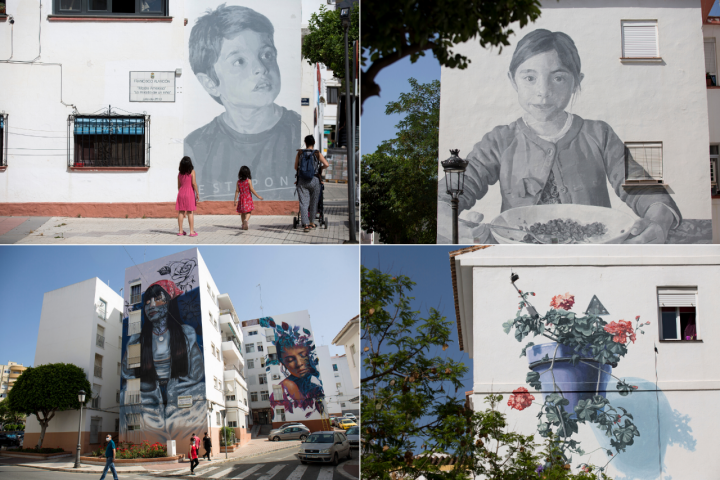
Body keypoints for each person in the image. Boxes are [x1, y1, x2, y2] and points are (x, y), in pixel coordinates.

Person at [453, 29, 681, 244]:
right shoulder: (499, 140)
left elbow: (640, 186)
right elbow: (452, 191)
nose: (543, 91)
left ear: (576, 82)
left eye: (558, 78)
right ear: (513, 80)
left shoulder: (599, 134)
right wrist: (452, 225)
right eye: (529, 78)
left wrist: (658, 219)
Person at [186, 4, 301, 201]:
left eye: (267, 54)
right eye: (239, 61)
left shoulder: (297, 131)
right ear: (210, 83)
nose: (261, 68)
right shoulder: (197, 146)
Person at [120, 280, 205, 442]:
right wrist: (148, 387)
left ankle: (181, 439)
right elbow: (127, 371)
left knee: (201, 391)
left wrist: (175, 387)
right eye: (147, 302)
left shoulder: (185, 333)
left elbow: (196, 371)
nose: (151, 306)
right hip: (148, 392)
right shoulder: (137, 339)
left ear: (170, 303)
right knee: (126, 395)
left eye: (158, 299)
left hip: (180, 389)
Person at [295, 135, 329, 232]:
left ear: (305, 143)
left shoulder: (300, 153)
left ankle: (305, 224)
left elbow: (295, 167)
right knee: (314, 202)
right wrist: (320, 168)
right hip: (314, 180)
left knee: (303, 203)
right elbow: (326, 164)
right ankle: (311, 223)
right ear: (314, 143)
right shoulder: (317, 153)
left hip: (302, 181)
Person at [234, 166, 264, 230]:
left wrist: (235, 200)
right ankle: (246, 220)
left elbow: (237, 191)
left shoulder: (238, 182)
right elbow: (252, 189)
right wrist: (258, 196)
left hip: (241, 199)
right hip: (248, 198)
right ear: (248, 173)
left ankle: (243, 224)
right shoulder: (248, 181)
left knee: (242, 212)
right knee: (249, 211)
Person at [176, 156, 200, 237]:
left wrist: (181, 192)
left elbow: (178, 186)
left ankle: (180, 231)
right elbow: (194, 183)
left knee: (181, 212)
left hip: (181, 192)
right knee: (190, 212)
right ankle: (192, 232)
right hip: (189, 192)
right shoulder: (192, 172)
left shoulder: (179, 174)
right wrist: (197, 192)